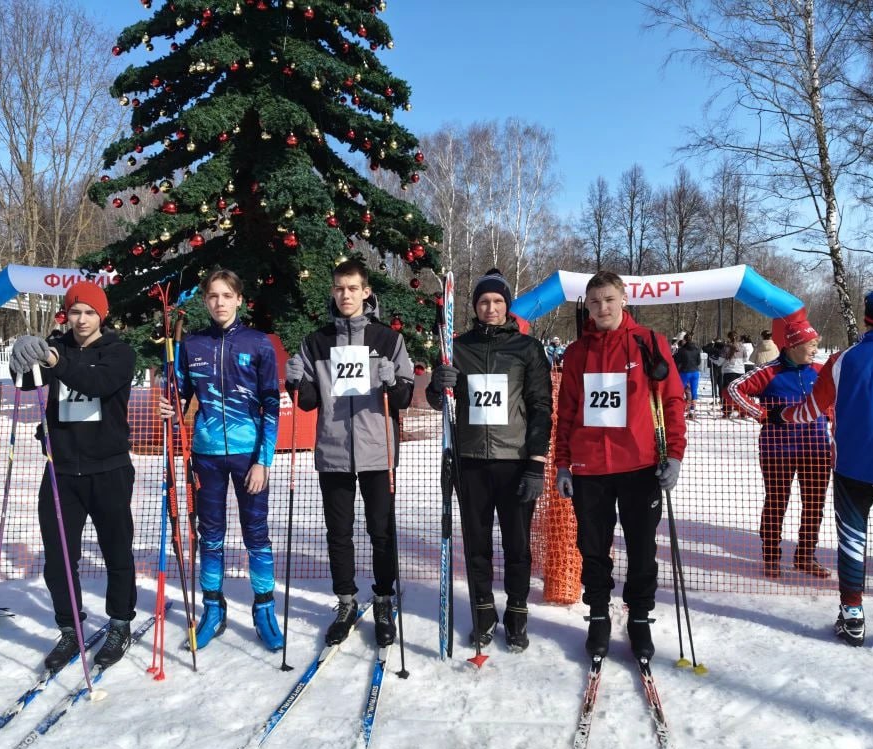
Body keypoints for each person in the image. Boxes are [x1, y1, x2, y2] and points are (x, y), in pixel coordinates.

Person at [553, 271, 686, 661]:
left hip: (640, 465)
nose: (602, 308)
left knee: (642, 546)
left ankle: (640, 617)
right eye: (594, 302)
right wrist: (563, 464)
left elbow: (673, 400)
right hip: (590, 467)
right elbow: (567, 414)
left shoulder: (648, 342)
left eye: (609, 299)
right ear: (587, 306)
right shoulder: (577, 353)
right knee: (592, 547)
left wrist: (674, 455)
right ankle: (598, 614)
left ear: (624, 299)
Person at [284, 260, 414, 648]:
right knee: (338, 533)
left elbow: (404, 395)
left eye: (353, 288)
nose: (346, 295)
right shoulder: (316, 341)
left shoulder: (388, 339)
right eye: (340, 288)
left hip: (377, 450)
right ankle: (345, 601)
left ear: (366, 291)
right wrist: (295, 380)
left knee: (381, 531)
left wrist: (394, 381)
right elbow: (307, 402)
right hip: (334, 450)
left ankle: (384, 599)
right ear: (333, 291)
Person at [9, 281, 138, 671]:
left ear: (102, 315)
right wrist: (20, 358)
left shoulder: (119, 353)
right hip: (61, 471)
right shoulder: (57, 348)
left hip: (109, 469)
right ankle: (70, 628)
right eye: (75, 311)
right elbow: (26, 383)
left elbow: (96, 383)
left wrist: (53, 361)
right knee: (60, 559)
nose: (81, 319)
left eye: (89, 312)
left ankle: (119, 623)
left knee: (117, 552)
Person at [775, 289, 873, 653]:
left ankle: (853, 617)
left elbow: (812, 409)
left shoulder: (842, 359)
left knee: (852, 542)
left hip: (851, 468)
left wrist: (783, 415)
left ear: (866, 317)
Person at [425, 269, 552, 651]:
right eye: (484, 302)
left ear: (507, 305)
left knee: (517, 545)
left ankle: (516, 615)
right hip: (470, 461)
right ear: (475, 306)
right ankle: (483, 614)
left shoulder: (527, 349)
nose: (491, 308)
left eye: (498, 301)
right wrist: (438, 382)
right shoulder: (457, 346)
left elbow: (541, 407)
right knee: (476, 544)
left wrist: (535, 462)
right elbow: (439, 402)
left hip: (513, 461)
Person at [159, 269, 283, 652]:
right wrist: (171, 403)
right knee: (210, 536)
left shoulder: (258, 343)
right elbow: (177, 394)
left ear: (239, 299)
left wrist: (264, 460)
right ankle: (213, 608)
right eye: (213, 296)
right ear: (206, 301)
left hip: (249, 455)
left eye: (227, 295)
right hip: (207, 454)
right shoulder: (191, 345)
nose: (219, 302)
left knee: (256, 535)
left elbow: (272, 406)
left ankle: (264, 610)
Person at [728, 313, 831, 579]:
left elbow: (838, 398)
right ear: (794, 346)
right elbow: (733, 388)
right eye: (812, 345)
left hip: (817, 450)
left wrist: (830, 415)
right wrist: (762, 413)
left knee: (814, 504)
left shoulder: (820, 372)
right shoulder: (769, 371)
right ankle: (771, 556)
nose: (816, 350)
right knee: (776, 502)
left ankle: (805, 556)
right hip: (778, 450)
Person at [715, 331, 749, 416]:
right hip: (740, 371)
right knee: (740, 392)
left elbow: (720, 361)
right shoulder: (742, 346)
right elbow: (745, 359)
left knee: (727, 391)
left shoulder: (726, 347)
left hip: (729, 371)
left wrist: (713, 359)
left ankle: (727, 410)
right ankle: (742, 411)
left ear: (729, 338)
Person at [672, 332, 702, 418]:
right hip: (695, 372)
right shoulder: (696, 349)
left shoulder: (681, 350)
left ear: (684, 340)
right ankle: (692, 410)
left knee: (680, 391)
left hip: (684, 372)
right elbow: (699, 362)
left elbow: (676, 361)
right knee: (694, 392)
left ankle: (679, 409)